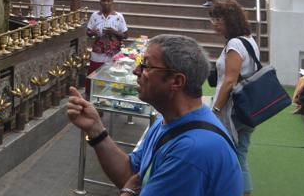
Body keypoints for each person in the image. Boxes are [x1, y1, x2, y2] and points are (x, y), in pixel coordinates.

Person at [66, 34, 242, 196]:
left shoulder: (192, 151)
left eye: (146, 66)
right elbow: (131, 173)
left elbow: (131, 185)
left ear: (176, 81)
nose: (136, 71)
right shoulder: (167, 121)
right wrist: (96, 130)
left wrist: (127, 192)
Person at [209, 0, 261, 195]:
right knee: (241, 154)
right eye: (213, 19)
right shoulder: (249, 40)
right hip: (247, 107)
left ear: (230, 20)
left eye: (218, 19)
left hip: (232, 109)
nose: (214, 23)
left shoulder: (234, 44)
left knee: (229, 154)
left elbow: (230, 81)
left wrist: (216, 109)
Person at [86, 0, 128, 77]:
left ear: (112, 2)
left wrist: (114, 32)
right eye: (104, 1)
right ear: (100, 2)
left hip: (113, 53)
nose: (106, 3)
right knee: (94, 75)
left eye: (108, 1)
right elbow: (88, 32)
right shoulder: (95, 15)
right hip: (97, 54)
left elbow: (126, 35)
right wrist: (93, 32)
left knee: (111, 76)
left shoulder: (119, 17)